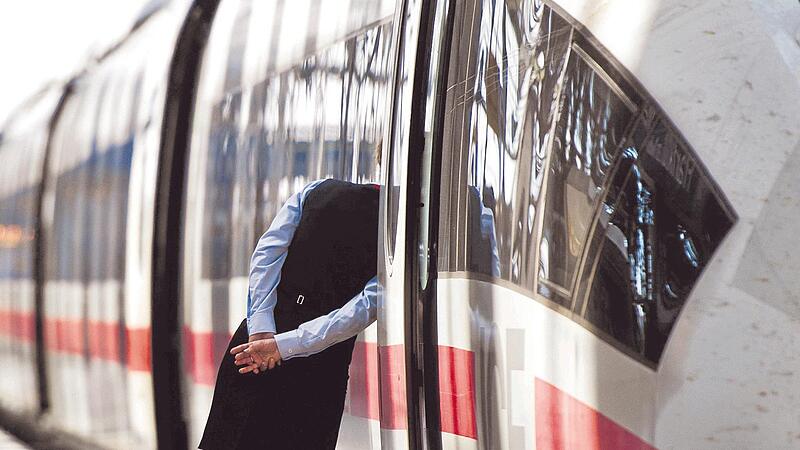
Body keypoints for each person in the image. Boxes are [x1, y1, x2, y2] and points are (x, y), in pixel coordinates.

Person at [199, 177, 379, 450]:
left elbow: (267, 253)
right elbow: (360, 311)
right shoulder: (401, 233)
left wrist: (260, 327)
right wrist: (283, 346)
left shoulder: (317, 190)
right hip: (320, 367)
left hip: (253, 351)